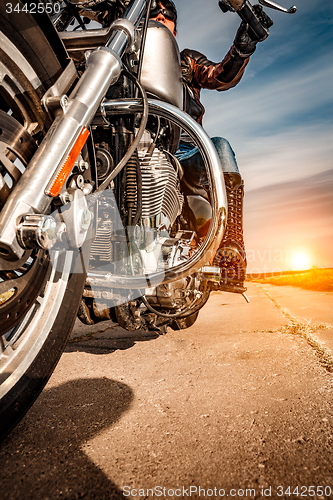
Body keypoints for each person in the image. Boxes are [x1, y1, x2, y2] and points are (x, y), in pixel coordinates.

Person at [149, 0, 265, 293]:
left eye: (168, 15)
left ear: (175, 28)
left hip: (189, 148)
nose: (161, 17)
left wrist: (243, 47)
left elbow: (219, 76)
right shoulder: (126, 60)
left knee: (221, 146)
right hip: (142, 146)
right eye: (153, 13)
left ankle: (230, 249)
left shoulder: (186, 61)